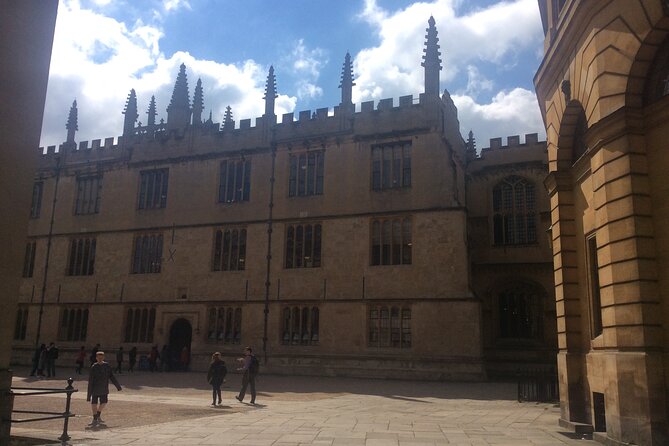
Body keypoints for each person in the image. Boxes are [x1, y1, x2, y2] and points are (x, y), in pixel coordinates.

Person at [87, 351, 122, 425]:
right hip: (95, 388)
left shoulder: (107, 366)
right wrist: (89, 394)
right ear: (96, 358)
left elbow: (111, 376)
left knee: (104, 402)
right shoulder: (94, 367)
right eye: (98, 358)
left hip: (104, 387)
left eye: (101, 357)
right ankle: (95, 418)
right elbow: (90, 380)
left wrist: (118, 386)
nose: (100, 359)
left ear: (103, 358)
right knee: (94, 403)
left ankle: (98, 415)